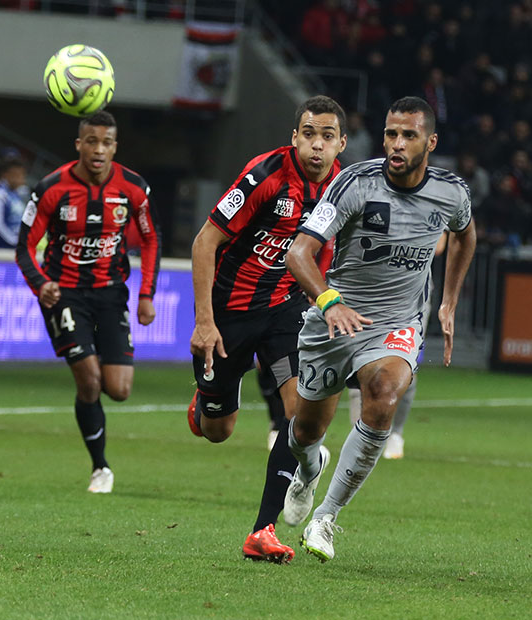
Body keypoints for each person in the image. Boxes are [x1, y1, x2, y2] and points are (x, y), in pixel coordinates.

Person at [282, 96, 476, 562]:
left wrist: (449, 300)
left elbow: (466, 234)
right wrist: (330, 303)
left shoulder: (452, 192)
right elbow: (298, 254)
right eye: (391, 134)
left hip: (396, 322)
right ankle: (309, 468)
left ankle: (326, 517)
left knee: (385, 395)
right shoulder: (354, 183)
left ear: (430, 142)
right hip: (336, 318)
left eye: (409, 135)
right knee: (305, 432)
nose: (397, 144)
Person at [188, 95, 347, 563]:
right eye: (308, 134)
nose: (317, 145)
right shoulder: (265, 177)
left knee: (299, 413)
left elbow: (327, 248)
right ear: (294, 137)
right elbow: (204, 242)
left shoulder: (343, 186)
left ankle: (263, 529)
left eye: (327, 137)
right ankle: (206, 402)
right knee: (217, 431)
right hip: (230, 312)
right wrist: (204, 322)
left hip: (285, 310)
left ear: (340, 144)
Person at [15, 111, 161, 493]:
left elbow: (150, 239)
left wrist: (146, 294)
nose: (98, 150)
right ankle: (100, 467)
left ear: (115, 147)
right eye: (91, 142)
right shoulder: (51, 188)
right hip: (64, 293)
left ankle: (93, 400)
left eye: (106, 143)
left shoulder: (133, 188)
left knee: (120, 389)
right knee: (90, 379)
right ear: (79, 145)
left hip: (111, 293)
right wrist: (40, 284)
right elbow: (24, 247)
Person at [344, 231, 447, 460]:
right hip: (370, 290)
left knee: (406, 364)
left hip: (413, 296)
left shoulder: (433, 208)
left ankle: (396, 433)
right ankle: (359, 434)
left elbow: (440, 244)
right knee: (359, 360)